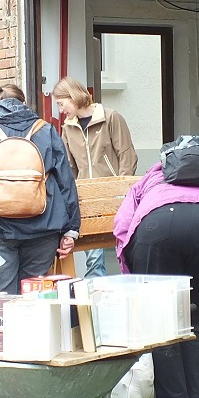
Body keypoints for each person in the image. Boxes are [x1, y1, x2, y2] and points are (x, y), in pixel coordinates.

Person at [112, 146, 199, 398]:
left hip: (159, 226)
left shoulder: (151, 176)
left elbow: (123, 224)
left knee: (161, 319)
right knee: (197, 315)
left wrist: (131, 269)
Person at [0, 83, 81, 294]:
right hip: (43, 229)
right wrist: (71, 229)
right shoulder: (45, 130)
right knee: (34, 299)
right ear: (23, 103)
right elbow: (66, 182)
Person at [52, 76, 138, 278]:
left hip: (115, 193)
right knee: (93, 256)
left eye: (61, 103)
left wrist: (121, 191)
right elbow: (69, 166)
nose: (61, 109)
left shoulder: (111, 117)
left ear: (72, 96)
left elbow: (127, 155)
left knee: (124, 244)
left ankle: (131, 284)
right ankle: (95, 297)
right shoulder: (68, 128)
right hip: (87, 196)